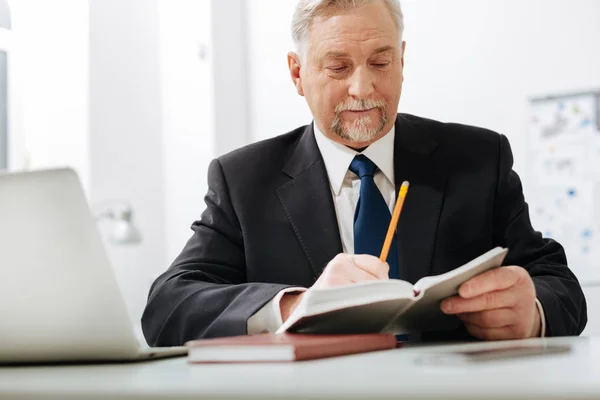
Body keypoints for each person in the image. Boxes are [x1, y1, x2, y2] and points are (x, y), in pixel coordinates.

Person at [142, 0, 587, 346]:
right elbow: (167, 307)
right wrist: (296, 305)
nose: (363, 88)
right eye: (337, 66)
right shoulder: (243, 180)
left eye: (380, 62)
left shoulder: (479, 159)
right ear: (298, 73)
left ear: (402, 59)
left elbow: (560, 284)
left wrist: (532, 311)